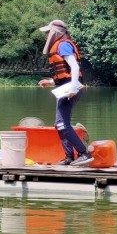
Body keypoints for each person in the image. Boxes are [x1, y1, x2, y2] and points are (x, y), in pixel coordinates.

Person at [38, 19, 93, 166]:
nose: (46, 35)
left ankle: (83, 153)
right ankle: (69, 157)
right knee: (60, 124)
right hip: (65, 88)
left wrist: (73, 88)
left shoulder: (63, 45)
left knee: (62, 123)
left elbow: (74, 67)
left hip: (70, 89)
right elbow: (64, 74)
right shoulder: (60, 45)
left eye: (48, 32)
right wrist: (50, 82)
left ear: (55, 33)